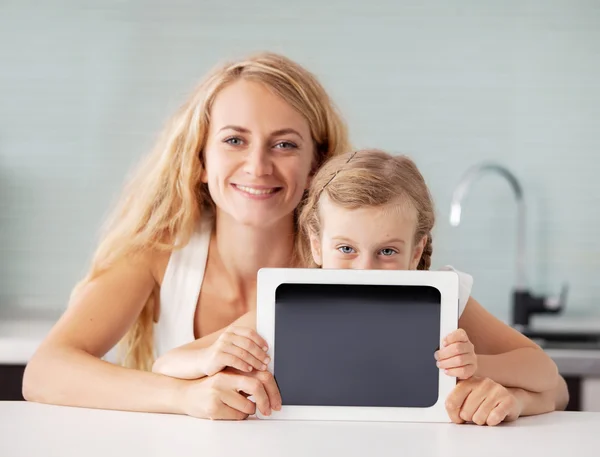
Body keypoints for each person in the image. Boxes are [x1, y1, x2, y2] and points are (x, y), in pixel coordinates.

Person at [22, 51, 351, 420]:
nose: (258, 167)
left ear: (316, 167)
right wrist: (185, 397)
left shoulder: (351, 262)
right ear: (200, 161)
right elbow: (44, 373)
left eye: (285, 144)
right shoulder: (158, 253)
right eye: (234, 141)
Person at [294, 148, 569, 425]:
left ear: (415, 252)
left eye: (387, 251)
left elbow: (544, 372)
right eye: (346, 248)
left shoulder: (444, 300)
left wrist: (473, 366)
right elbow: (247, 342)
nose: (366, 270)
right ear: (317, 246)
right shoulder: (286, 300)